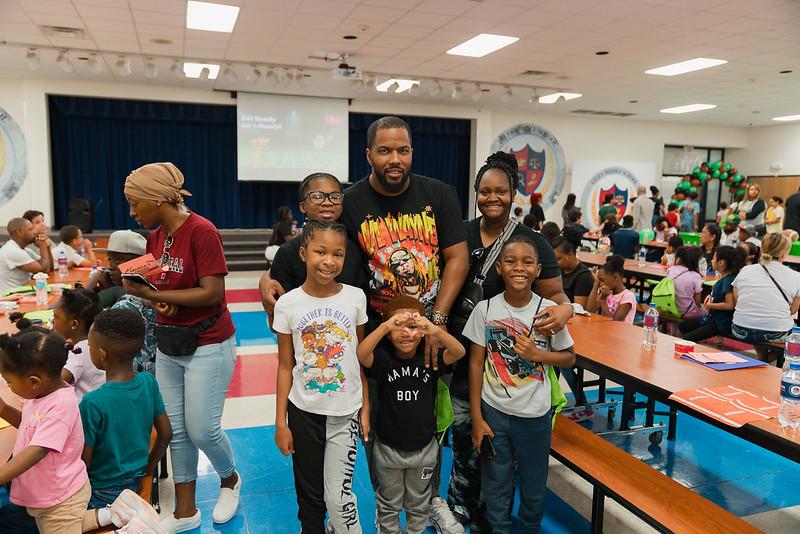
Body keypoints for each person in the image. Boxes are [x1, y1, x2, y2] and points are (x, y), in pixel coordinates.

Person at [335, 116, 470, 531]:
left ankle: (430, 500)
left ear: (412, 152)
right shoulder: (351, 202)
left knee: (431, 420)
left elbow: (457, 258)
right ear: (368, 155)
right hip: (380, 342)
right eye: (385, 150)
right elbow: (322, 248)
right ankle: (387, 505)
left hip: (429, 337)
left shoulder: (440, 194)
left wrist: (437, 321)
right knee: (381, 425)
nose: (395, 159)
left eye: (403, 150)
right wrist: (273, 275)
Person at [447, 152, 572, 531]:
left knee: (501, 460)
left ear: (512, 194)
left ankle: (491, 516)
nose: (492, 198)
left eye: (500, 191)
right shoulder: (460, 232)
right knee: (466, 441)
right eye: (485, 191)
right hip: (464, 358)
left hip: (511, 376)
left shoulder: (532, 242)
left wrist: (566, 310)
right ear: (475, 193)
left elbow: (557, 297)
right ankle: (461, 509)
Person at [122, 162, 240, 531]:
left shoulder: (202, 231)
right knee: (175, 430)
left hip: (209, 341)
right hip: (170, 342)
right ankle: (185, 512)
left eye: (135, 203)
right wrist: (158, 298)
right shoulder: (155, 238)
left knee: (202, 429)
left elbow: (212, 292)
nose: (132, 212)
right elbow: (165, 290)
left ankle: (230, 479)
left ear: (157, 199)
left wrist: (154, 295)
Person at [464, 234, 574, 534]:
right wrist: (477, 417)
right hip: (494, 413)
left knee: (534, 484)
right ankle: (499, 528)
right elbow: (475, 364)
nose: (519, 268)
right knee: (495, 482)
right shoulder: (485, 309)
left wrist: (539, 355)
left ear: (538, 270)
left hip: (535, 416)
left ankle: (529, 528)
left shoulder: (548, 311)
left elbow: (569, 358)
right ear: (499, 268)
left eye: (527, 262)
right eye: (511, 261)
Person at [0, 327, 152, 533]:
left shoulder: (60, 406)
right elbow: (32, 428)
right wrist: (4, 409)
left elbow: (37, 450)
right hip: (51, 494)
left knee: (59, 525)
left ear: (34, 381)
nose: (8, 386)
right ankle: (114, 513)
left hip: (60, 496)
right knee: (65, 523)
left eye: (9, 382)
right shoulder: (39, 395)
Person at [272, 220, 368, 534]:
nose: (329, 261)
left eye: (337, 254)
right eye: (320, 252)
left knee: (339, 497)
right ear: (303, 253)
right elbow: (285, 365)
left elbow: (359, 357)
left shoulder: (356, 297)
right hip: (304, 413)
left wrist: (365, 407)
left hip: (345, 413)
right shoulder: (287, 304)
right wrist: (281, 422)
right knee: (310, 495)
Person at [356, 296, 465, 534]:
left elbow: (459, 351)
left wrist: (434, 329)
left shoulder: (429, 360)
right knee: (389, 504)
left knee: (419, 504)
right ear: (388, 333)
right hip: (388, 451)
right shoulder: (383, 360)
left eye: (413, 327)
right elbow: (361, 354)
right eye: (399, 327)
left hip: (424, 451)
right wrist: (385, 326)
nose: (406, 333)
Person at [80, 309, 172, 508]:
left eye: (89, 346)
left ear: (102, 354)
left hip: (100, 490)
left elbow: (84, 461)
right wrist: (149, 468)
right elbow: (166, 433)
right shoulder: (148, 382)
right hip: (136, 483)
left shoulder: (91, 402)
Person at [259, 172, 367, 327]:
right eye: (317, 196)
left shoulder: (353, 249)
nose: (327, 202)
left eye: (335, 196)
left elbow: (359, 312)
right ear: (303, 206)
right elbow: (277, 321)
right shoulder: (287, 252)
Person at [86, 230, 157, 373]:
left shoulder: (125, 306)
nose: (110, 266)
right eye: (110, 260)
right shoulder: (155, 291)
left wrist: (89, 289)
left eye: (117, 261)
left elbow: (88, 332)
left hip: (131, 374)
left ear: (140, 264)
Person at [732, 233, 800, 344]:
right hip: (776, 332)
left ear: (762, 249)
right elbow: (793, 310)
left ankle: (761, 354)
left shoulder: (745, 270)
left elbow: (737, 300)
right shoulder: (796, 276)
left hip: (740, 329)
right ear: (784, 254)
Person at [678, 246, 745, 342]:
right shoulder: (725, 278)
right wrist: (710, 297)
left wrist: (710, 305)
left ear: (721, 262)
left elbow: (730, 305)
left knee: (686, 338)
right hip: (712, 319)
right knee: (683, 325)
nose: (712, 261)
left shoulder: (728, 280)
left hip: (720, 323)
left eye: (714, 258)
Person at [54, 288, 104, 400]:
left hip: (83, 409)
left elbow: (54, 384)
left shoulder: (78, 352)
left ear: (74, 324)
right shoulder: (98, 344)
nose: (53, 321)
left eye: (56, 317)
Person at [0, 218, 53, 293]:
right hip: (11, 296)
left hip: (23, 292)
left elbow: (49, 268)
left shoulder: (25, 250)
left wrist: (47, 248)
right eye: (30, 229)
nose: (35, 232)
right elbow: (43, 271)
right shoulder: (12, 251)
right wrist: (43, 246)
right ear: (19, 232)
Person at [586, 255, 637, 323]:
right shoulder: (607, 292)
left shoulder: (628, 296)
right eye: (599, 281)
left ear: (615, 277)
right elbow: (590, 310)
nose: (601, 283)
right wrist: (596, 283)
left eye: (602, 280)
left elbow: (613, 323)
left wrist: (603, 300)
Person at [552, 231, 593, 308]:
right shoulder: (559, 270)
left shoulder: (583, 276)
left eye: (558, 259)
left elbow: (579, 308)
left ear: (570, 254)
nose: (555, 263)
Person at [667, 246, 703, 319]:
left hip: (670, 309)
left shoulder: (671, 270)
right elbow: (697, 301)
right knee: (705, 313)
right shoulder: (696, 276)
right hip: (688, 313)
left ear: (679, 259)